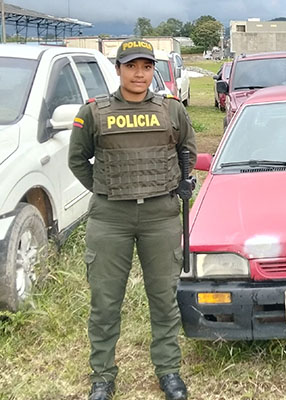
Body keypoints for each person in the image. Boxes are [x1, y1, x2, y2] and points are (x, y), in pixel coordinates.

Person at [68, 38, 196, 400]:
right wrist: (106, 187)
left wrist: (175, 183)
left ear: (153, 70)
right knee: (105, 303)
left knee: (164, 299)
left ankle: (169, 371)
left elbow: (187, 151)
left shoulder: (171, 110)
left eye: (146, 66)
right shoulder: (93, 112)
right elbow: (77, 160)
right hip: (111, 217)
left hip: (160, 216)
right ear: (118, 69)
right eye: (131, 66)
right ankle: (102, 377)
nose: (139, 74)